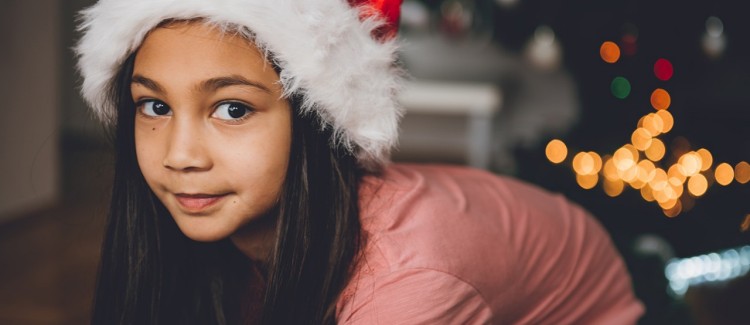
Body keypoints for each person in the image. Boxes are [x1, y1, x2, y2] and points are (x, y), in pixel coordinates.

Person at [75, 0, 644, 324]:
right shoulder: (240, 228)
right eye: (154, 105)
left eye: (231, 107)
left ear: (317, 121)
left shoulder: (405, 283)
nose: (179, 156)